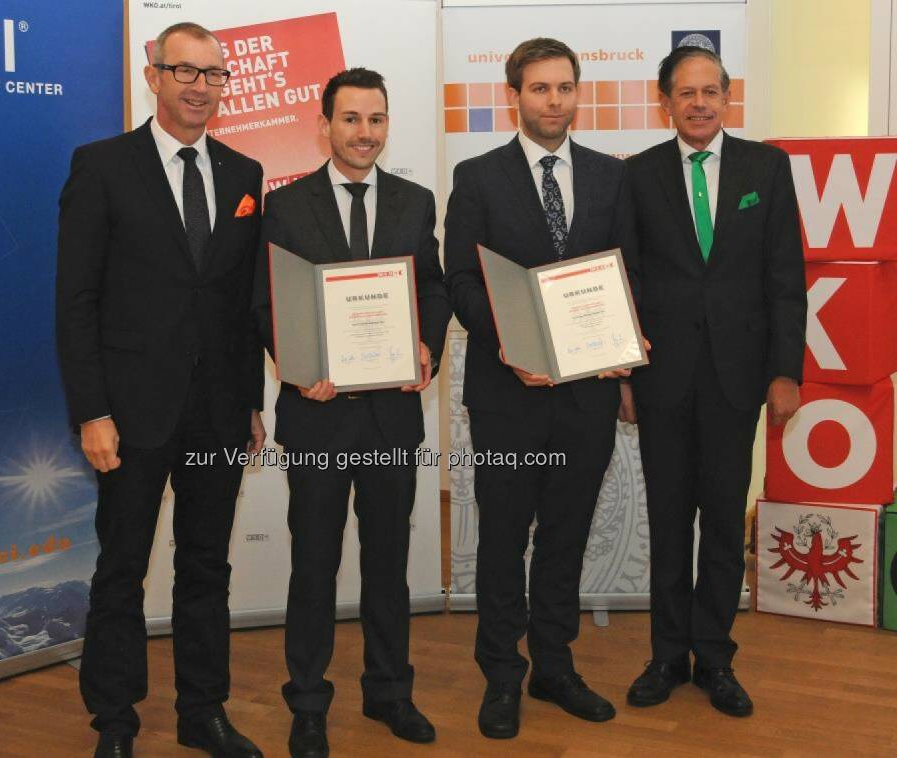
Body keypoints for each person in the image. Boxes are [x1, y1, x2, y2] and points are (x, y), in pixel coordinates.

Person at [56, 22, 266, 758]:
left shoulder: (244, 174)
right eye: (185, 71)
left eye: (214, 74)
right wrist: (91, 411)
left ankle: (203, 713)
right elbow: (76, 300)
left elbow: (243, 303)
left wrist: (251, 401)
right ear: (153, 76)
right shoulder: (102, 165)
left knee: (206, 566)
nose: (201, 87)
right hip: (130, 414)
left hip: (218, 416)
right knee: (122, 569)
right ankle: (115, 722)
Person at [251, 67, 451, 758]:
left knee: (388, 565)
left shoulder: (415, 202)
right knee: (313, 566)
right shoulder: (285, 206)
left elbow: (432, 288)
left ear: (387, 124)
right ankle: (308, 703)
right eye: (351, 119)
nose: (365, 133)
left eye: (376, 119)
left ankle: (390, 692)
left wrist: (425, 345)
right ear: (325, 125)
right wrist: (298, 364)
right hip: (319, 416)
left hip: (391, 418)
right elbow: (264, 303)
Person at [444, 38, 638, 739]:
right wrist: (510, 344)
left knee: (566, 536)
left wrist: (627, 341)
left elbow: (628, 273)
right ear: (514, 96)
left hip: (587, 396)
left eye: (564, 87)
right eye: (539, 88)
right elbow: (460, 280)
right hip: (509, 393)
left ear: (577, 93)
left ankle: (554, 667)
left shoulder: (612, 177)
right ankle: (502, 675)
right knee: (502, 539)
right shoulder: (477, 177)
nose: (554, 101)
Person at [620, 45, 805, 718]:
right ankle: (667, 656)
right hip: (661, 379)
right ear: (665, 103)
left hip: (738, 378)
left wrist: (785, 371)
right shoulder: (637, 175)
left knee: (724, 521)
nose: (698, 104)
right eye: (685, 93)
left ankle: (716, 658)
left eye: (709, 92)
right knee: (669, 522)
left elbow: (785, 276)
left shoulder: (766, 168)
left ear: (728, 98)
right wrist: (624, 375)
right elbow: (626, 279)